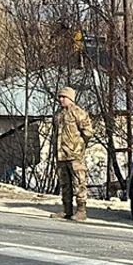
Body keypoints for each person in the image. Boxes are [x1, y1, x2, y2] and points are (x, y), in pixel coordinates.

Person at [50, 85, 94, 222]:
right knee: (65, 184)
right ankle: (67, 210)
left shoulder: (78, 113)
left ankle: (81, 211)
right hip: (61, 155)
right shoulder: (59, 115)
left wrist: (79, 145)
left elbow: (88, 132)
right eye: (60, 97)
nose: (61, 100)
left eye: (64, 97)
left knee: (79, 183)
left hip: (75, 155)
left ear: (70, 98)